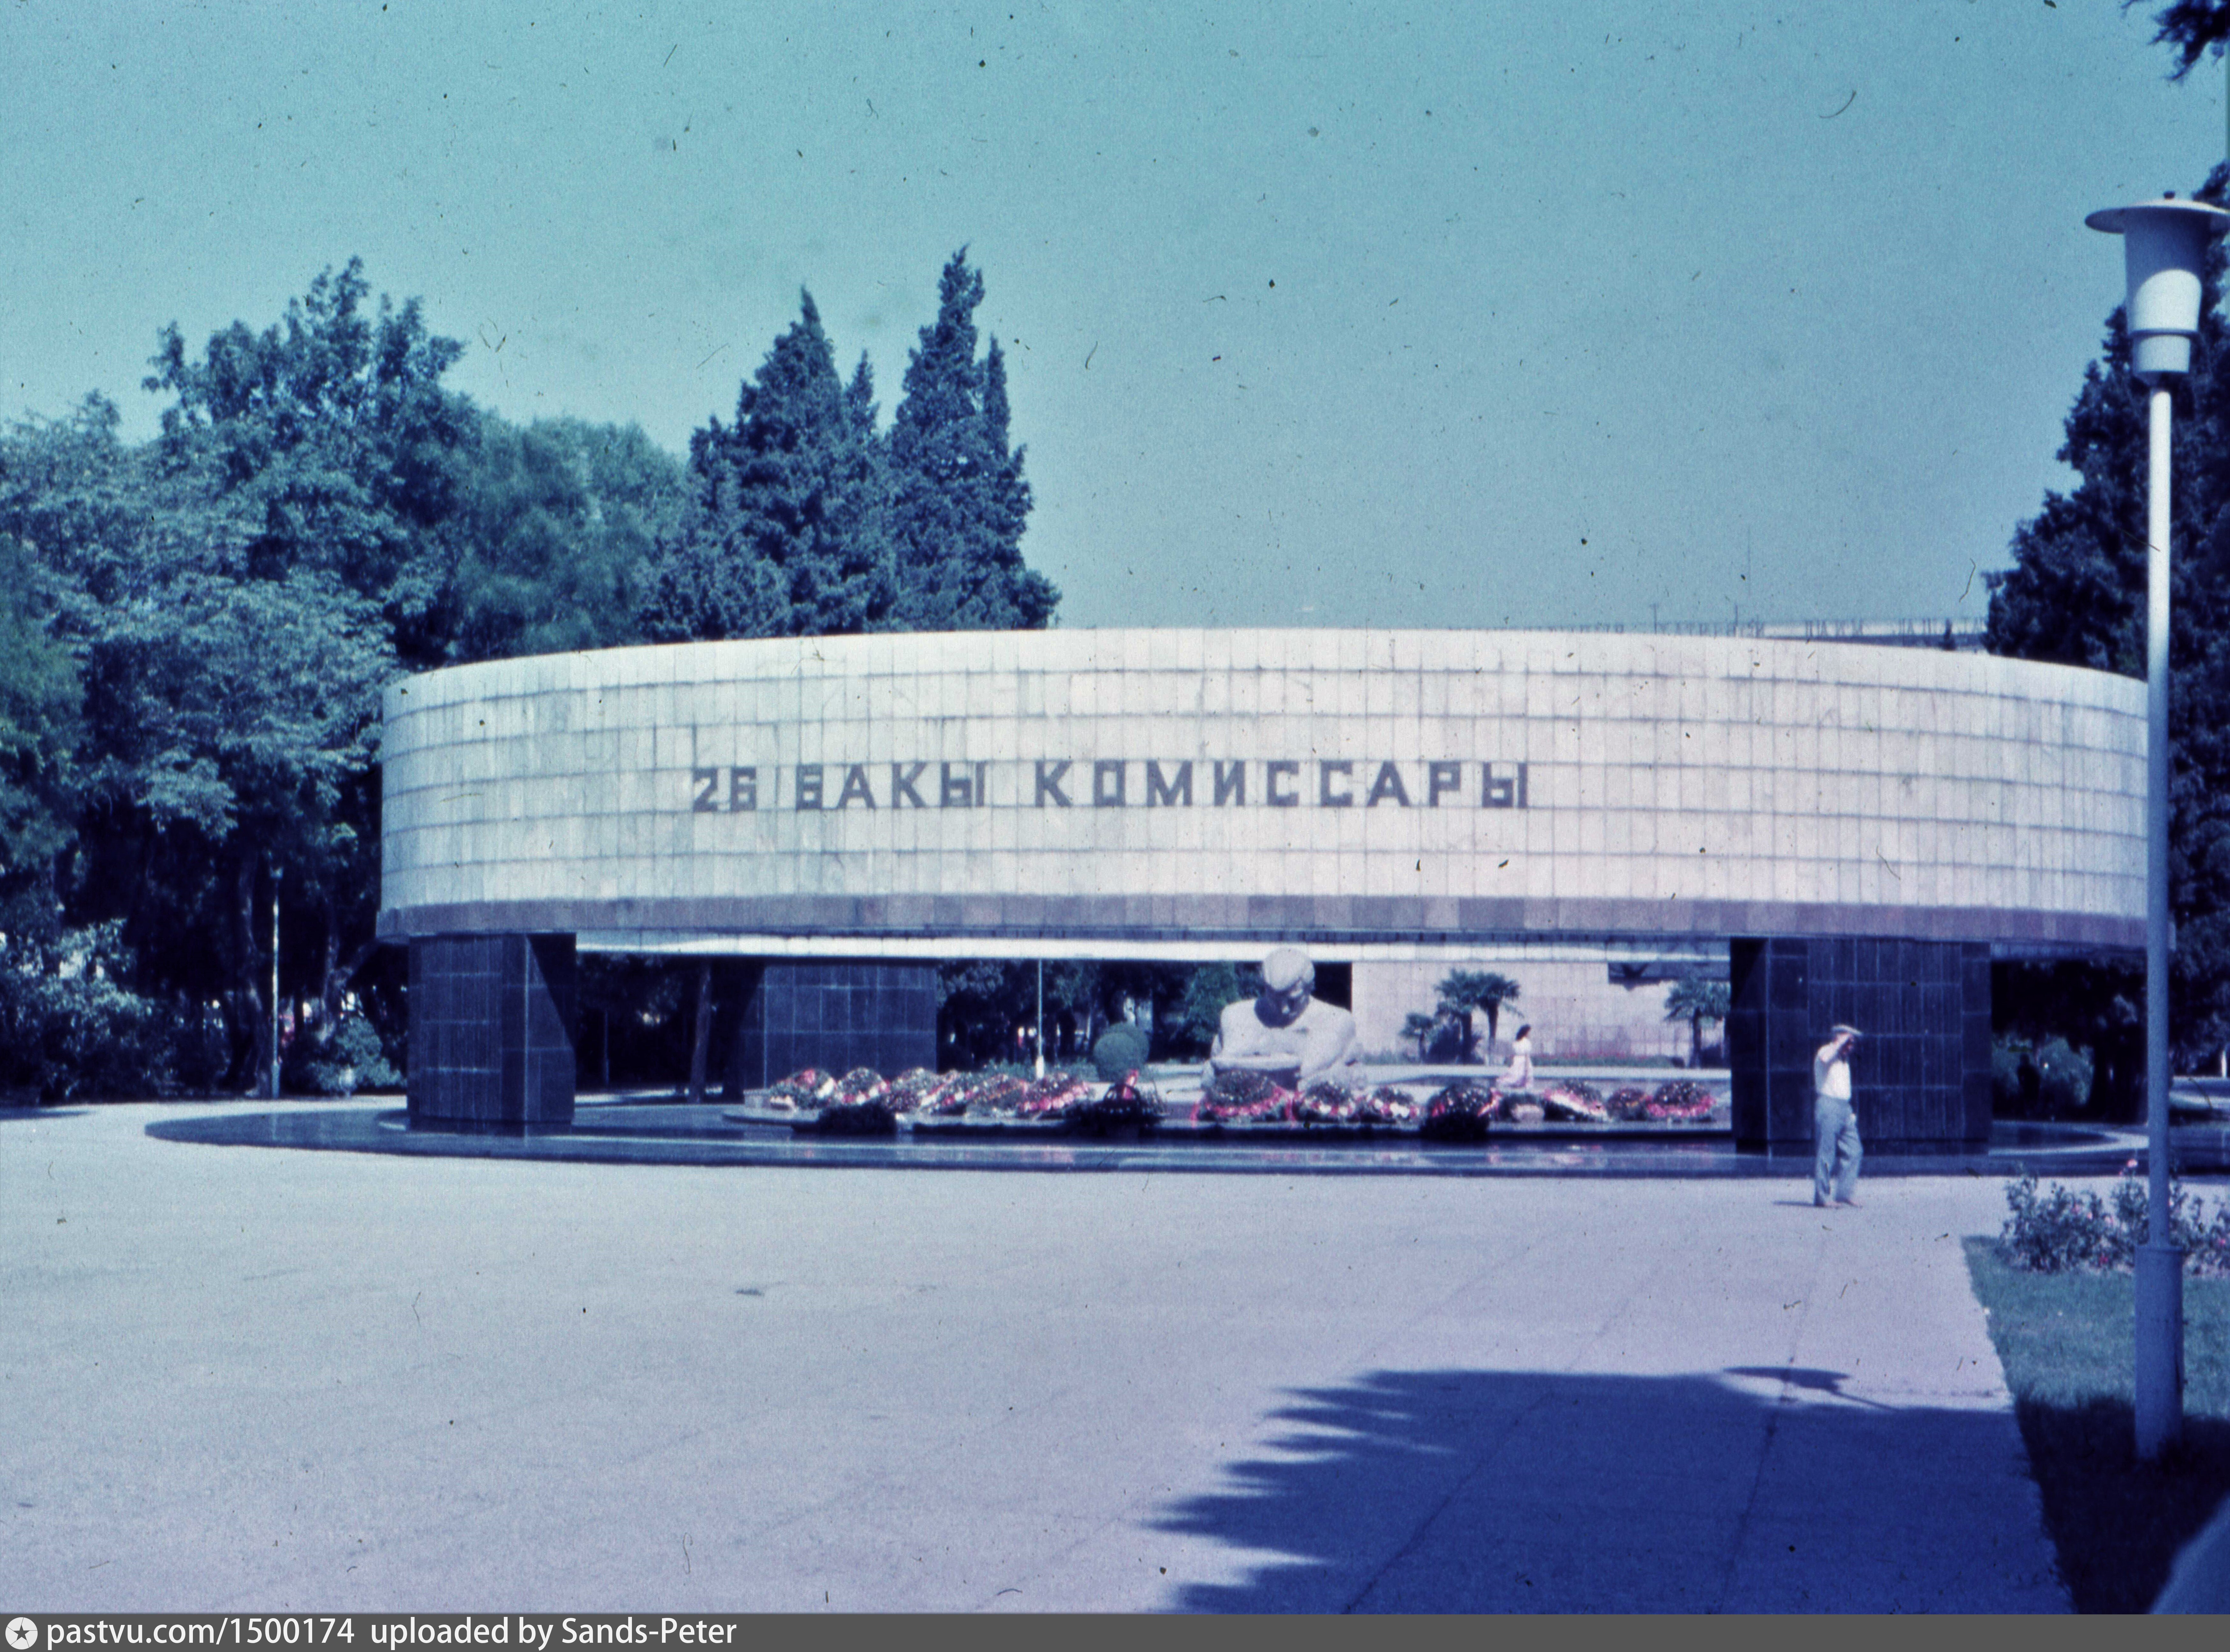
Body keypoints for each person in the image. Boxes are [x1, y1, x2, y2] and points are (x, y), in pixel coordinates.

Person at [1207, 947, 1362, 1086]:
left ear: (1310, 988)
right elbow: (1222, 1067)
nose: (1285, 1010)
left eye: (1293, 1000)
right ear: (1265, 989)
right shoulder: (1237, 1015)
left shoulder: (1336, 1020)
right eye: (1275, 1000)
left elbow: (1304, 1071)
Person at [1814, 1024, 1862, 1208]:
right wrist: (1839, 1043)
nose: (1851, 1047)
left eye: (1852, 1043)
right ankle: (1823, 1197)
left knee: (1855, 1150)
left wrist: (1850, 1112)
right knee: (1827, 1152)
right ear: (1839, 1038)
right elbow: (1825, 1059)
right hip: (1829, 1105)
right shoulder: (1826, 1051)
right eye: (1848, 1042)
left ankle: (1844, 1194)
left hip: (1844, 1108)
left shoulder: (1844, 1060)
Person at [1504, 1023, 1535, 1091]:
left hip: (1517, 1060)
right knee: (1525, 1076)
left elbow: (1513, 1053)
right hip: (1523, 1060)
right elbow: (1527, 1054)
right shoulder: (1526, 1042)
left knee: (1516, 1076)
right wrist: (1527, 1067)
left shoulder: (1516, 1042)